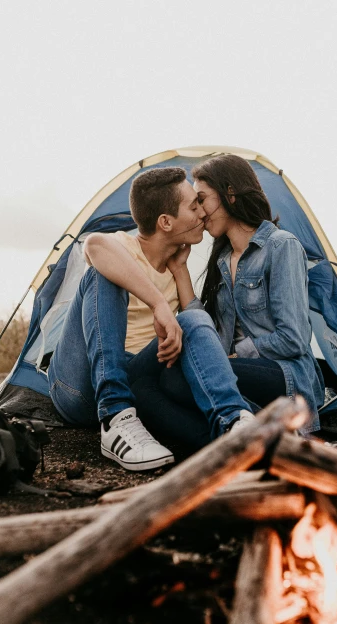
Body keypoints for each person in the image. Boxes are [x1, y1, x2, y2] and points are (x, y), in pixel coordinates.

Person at [47, 166, 255, 471]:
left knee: (193, 319)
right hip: (79, 388)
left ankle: (235, 423)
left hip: (135, 382)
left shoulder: (174, 268)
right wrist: (158, 304)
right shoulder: (122, 247)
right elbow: (93, 244)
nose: (202, 213)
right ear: (166, 222)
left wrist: (180, 272)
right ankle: (114, 418)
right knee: (101, 276)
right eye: (193, 205)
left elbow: (198, 326)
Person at [133, 154, 324, 448]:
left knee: (176, 382)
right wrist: (180, 269)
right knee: (144, 386)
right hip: (239, 372)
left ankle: (274, 442)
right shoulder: (222, 260)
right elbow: (207, 331)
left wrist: (231, 358)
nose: (198, 212)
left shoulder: (280, 246)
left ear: (230, 194)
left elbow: (294, 339)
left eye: (202, 199)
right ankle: (234, 446)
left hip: (285, 375)